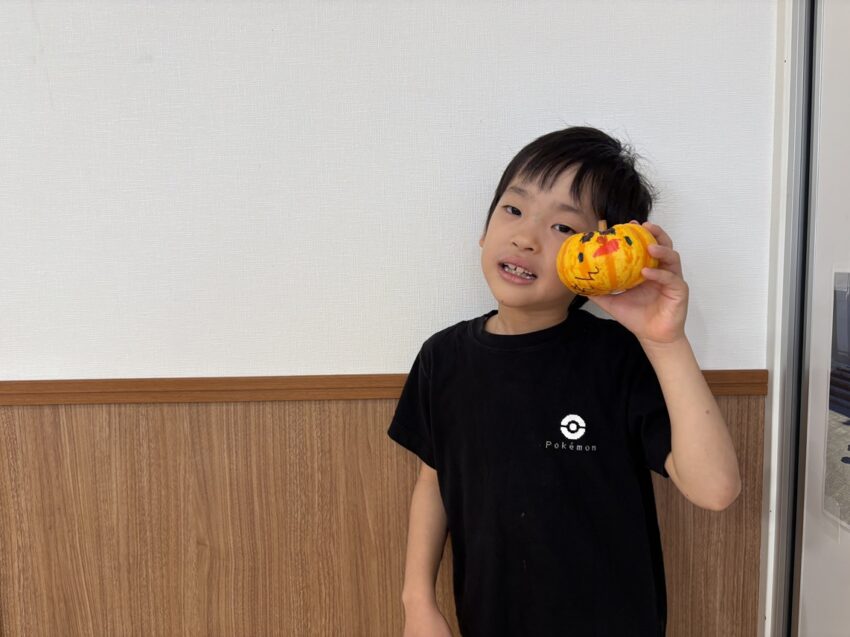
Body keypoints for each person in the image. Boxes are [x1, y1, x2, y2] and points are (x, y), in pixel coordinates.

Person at [387, 126, 741, 636]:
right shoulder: (442, 358)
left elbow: (715, 490)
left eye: (562, 227)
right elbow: (434, 478)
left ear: (600, 255)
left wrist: (665, 341)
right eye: (513, 209)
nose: (525, 237)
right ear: (485, 228)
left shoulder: (618, 356)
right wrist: (417, 600)